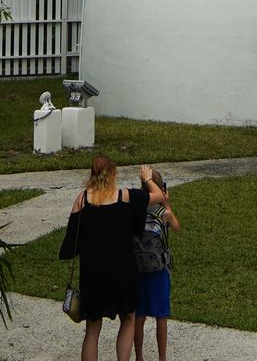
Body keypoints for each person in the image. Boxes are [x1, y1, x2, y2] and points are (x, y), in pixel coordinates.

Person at [60, 154, 168, 361]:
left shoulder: (82, 200)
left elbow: (71, 240)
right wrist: (146, 179)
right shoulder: (126, 196)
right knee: (128, 319)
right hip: (122, 270)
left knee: (92, 330)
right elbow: (158, 196)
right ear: (112, 174)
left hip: (92, 272)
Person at [132, 170, 180, 361]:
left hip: (137, 270)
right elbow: (176, 228)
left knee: (139, 316)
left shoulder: (134, 211)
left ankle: (139, 357)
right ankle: (162, 358)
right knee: (161, 317)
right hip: (159, 271)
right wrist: (166, 203)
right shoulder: (164, 213)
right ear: (161, 189)